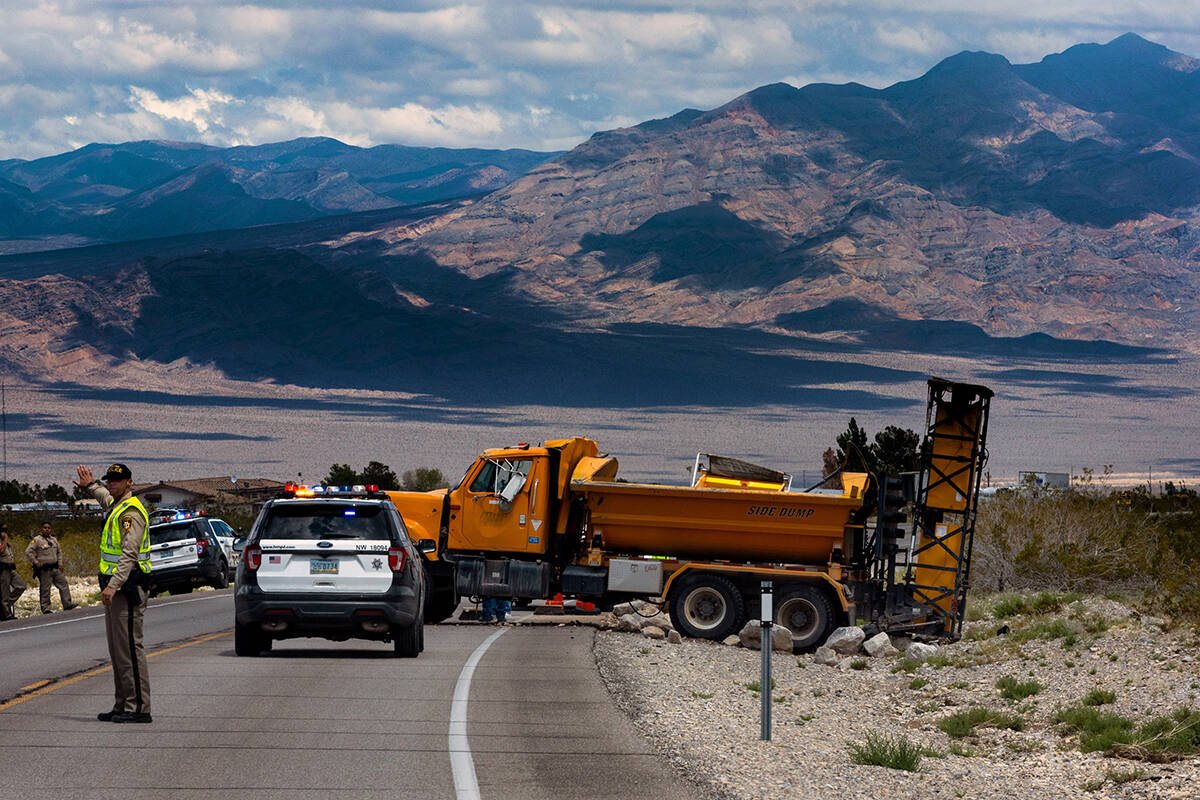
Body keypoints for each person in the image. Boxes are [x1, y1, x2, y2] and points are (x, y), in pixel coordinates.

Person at [75, 463, 152, 724]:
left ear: (129, 482)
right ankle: (122, 704)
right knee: (118, 651)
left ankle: (139, 708)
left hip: (127, 588)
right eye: (110, 480)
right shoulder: (117, 505)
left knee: (130, 648)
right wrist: (91, 486)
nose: (112, 484)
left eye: (117, 481)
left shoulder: (131, 511)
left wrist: (113, 585)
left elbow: (130, 554)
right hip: (117, 588)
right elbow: (105, 497)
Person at [24, 521, 76, 614]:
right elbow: (28, 552)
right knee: (45, 589)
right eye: (45, 527)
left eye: (48, 528)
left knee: (63, 584)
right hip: (45, 569)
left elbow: (59, 552)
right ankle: (46, 608)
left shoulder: (54, 540)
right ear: (41, 529)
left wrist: (60, 563)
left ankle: (67, 604)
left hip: (55, 567)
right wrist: (36, 562)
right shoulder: (37, 540)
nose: (47, 529)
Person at [0, 523, 28, 619]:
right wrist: (5, 539)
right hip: (2, 569)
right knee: (5, 592)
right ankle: (6, 614)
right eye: (2, 530)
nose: (4, 532)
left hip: (10, 568)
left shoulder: (4, 541)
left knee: (21, 586)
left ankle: (4, 605)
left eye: (5, 530)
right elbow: (1, 551)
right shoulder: (3, 540)